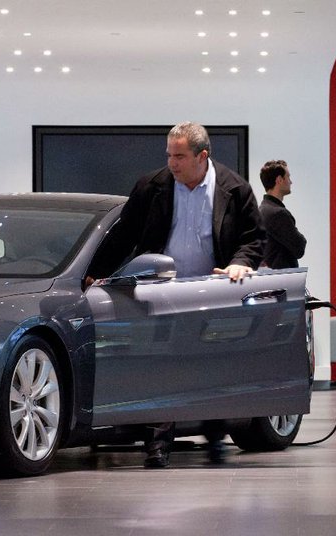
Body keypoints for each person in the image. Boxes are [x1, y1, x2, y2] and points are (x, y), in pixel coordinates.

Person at [87, 121, 265, 467]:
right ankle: (157, 444)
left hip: (212, 293)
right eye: (169, 155)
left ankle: (214, 434)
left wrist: (241, 263)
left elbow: (253, 238)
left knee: (211, 365)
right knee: (161, 367)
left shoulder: (235, 189)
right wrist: (97, 273)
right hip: (162, 293)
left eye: (180, 156)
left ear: (203, 156)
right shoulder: (151, 187)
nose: (172, 163)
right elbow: (124, 236)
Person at [258, 160, 306, 269]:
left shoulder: (262, 210)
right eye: (288, 177)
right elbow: (300, 247)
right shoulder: (278, 214)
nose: (291, 182)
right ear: (279, 180)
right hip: (282, 281)